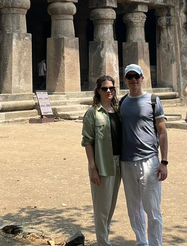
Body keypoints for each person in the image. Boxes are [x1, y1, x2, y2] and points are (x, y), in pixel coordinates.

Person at [119, 63, 168, 246]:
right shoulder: (122, 102)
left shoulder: (153, 100)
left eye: (136, 76)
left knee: (153, 209)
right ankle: (142, 242)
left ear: (142, 78)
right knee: (134, 208)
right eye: (130, 77)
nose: (133, 80)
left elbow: (162, 131)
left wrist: (164, 161)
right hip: (127, 161)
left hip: (149, 160)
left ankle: (155, 244)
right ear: (125, 80)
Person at [81, 75, 122, 246]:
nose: (108, 91)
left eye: (111, 88)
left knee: (111, 206)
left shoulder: (118, 110)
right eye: (104, 88)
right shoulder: (92, 113)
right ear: (98, 91)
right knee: (101, 209)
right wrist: (93, 168)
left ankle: (104, 240)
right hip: (102, 163)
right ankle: (103, 243)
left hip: (119, 162)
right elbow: (87, 141)